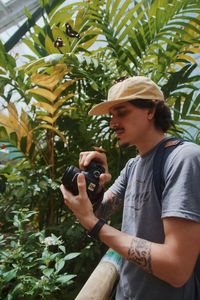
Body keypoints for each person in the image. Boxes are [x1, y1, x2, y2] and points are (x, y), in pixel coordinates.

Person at [60, 76, 200, 299]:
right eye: (111, 115)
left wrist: (94, 226)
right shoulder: (133, 166)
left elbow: (177, 268)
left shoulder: (183, 159)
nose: (112, 123)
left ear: (151, 110)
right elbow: (98, 211)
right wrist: (94, 184)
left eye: (121, 112)